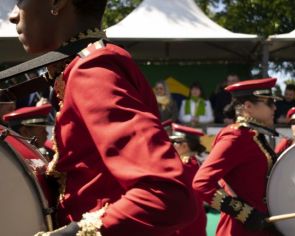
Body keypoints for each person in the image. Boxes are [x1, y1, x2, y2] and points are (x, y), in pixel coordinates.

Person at [8, 0, 198, 235]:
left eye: (20, 1)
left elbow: (166, 195)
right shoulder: (88, 62)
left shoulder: (93, 70)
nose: (13, 16)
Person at [193, 78, 281, 236]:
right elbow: (202, 182)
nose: (274, 107)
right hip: (239, 230)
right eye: (269, 103)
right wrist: (243, 212)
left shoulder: (252, 135)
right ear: (248, 107)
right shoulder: (236, 137)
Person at [169, 123, 207, 236]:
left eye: (175, 142)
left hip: (185, 221)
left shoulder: (186, 165)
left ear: (185, 145)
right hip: (190, 217)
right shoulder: (191, 162)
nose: (172, 145)